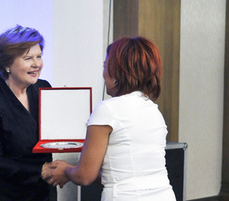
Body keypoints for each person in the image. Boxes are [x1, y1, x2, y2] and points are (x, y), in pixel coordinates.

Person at [42, 36, 176, 201]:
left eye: (106, 66)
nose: (104, 74)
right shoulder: (153, 111)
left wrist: (66, 170)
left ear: (117, 73)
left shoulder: (108, 109)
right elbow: (117, 174)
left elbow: (85, 176)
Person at [0, 25, 56, 201]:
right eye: (28, 58)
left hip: (41, 192)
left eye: (39, 56)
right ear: (7, 64)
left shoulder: (44, 88)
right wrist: (42, 170)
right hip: (4, 193)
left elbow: (52, 135)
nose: (37, 64)